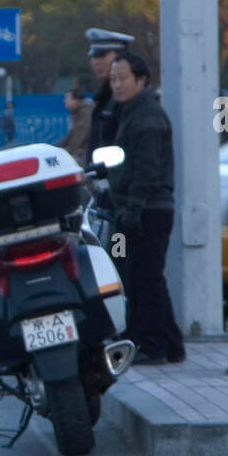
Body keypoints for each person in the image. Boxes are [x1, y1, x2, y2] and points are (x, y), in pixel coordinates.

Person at [108, 52, 186, 366]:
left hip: (148, 211)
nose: (116, 84)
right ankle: (171, 344)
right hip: (138, 208)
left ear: (141, 80)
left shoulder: (147, 116)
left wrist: (133, 210)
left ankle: (153, 346)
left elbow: (147, 169)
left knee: (145, 278)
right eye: (113, 79)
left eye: (122, 78)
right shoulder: (130, 112)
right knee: (146, 276)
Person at [84, 27, 133, 162]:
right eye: (93, 56)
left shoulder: (127, 98)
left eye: (102, 55)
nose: (96, 62)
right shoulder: (104, 98)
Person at [58, 86, 94, 168]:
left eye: (67, 98)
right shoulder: (77, 112)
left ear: (76, 100)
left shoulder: (85, 111)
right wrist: (61, 146)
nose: (65, 101)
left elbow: (81, 133)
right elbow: (73, 132)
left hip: (85, 152)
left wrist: (69, 149)